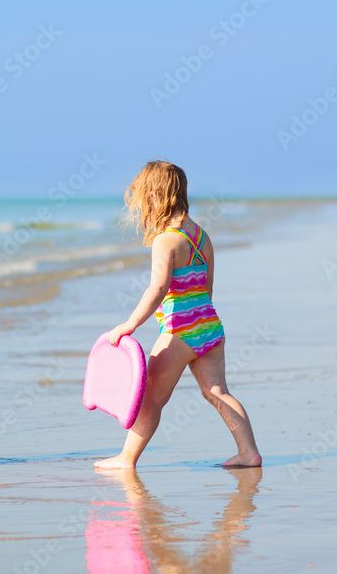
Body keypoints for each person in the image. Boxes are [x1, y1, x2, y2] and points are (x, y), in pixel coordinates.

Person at [95, 161, 261, 469]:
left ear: (156, 196)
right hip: (210, 326)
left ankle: (126, 459)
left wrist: (130, 324)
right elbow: (207, 289)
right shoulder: (200, 236)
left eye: (143, 198)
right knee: (217, 392)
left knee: (152, 399)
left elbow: (157, 288)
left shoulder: (166, 239)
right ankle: (248, 452)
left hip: (179, 332)